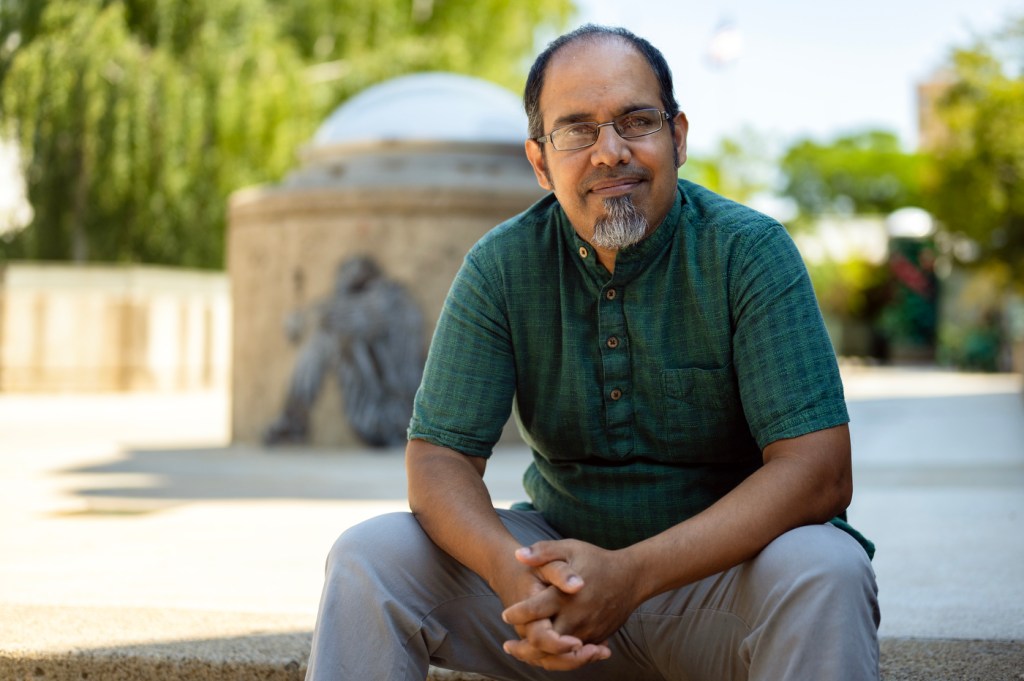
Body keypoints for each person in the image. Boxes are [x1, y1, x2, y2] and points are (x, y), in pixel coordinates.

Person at [305, 24, 880, 681]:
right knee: (369, 556)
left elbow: (820, 470)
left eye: (637, 121)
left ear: (679, 137)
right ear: (541, 162)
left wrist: (631, 573)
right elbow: (438, 458)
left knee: (826, 567)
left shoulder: (748, 252)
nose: (610, 152)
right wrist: (509, 573)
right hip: (555, 596)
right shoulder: (501, 266)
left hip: (719, 592)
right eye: (576, 129)